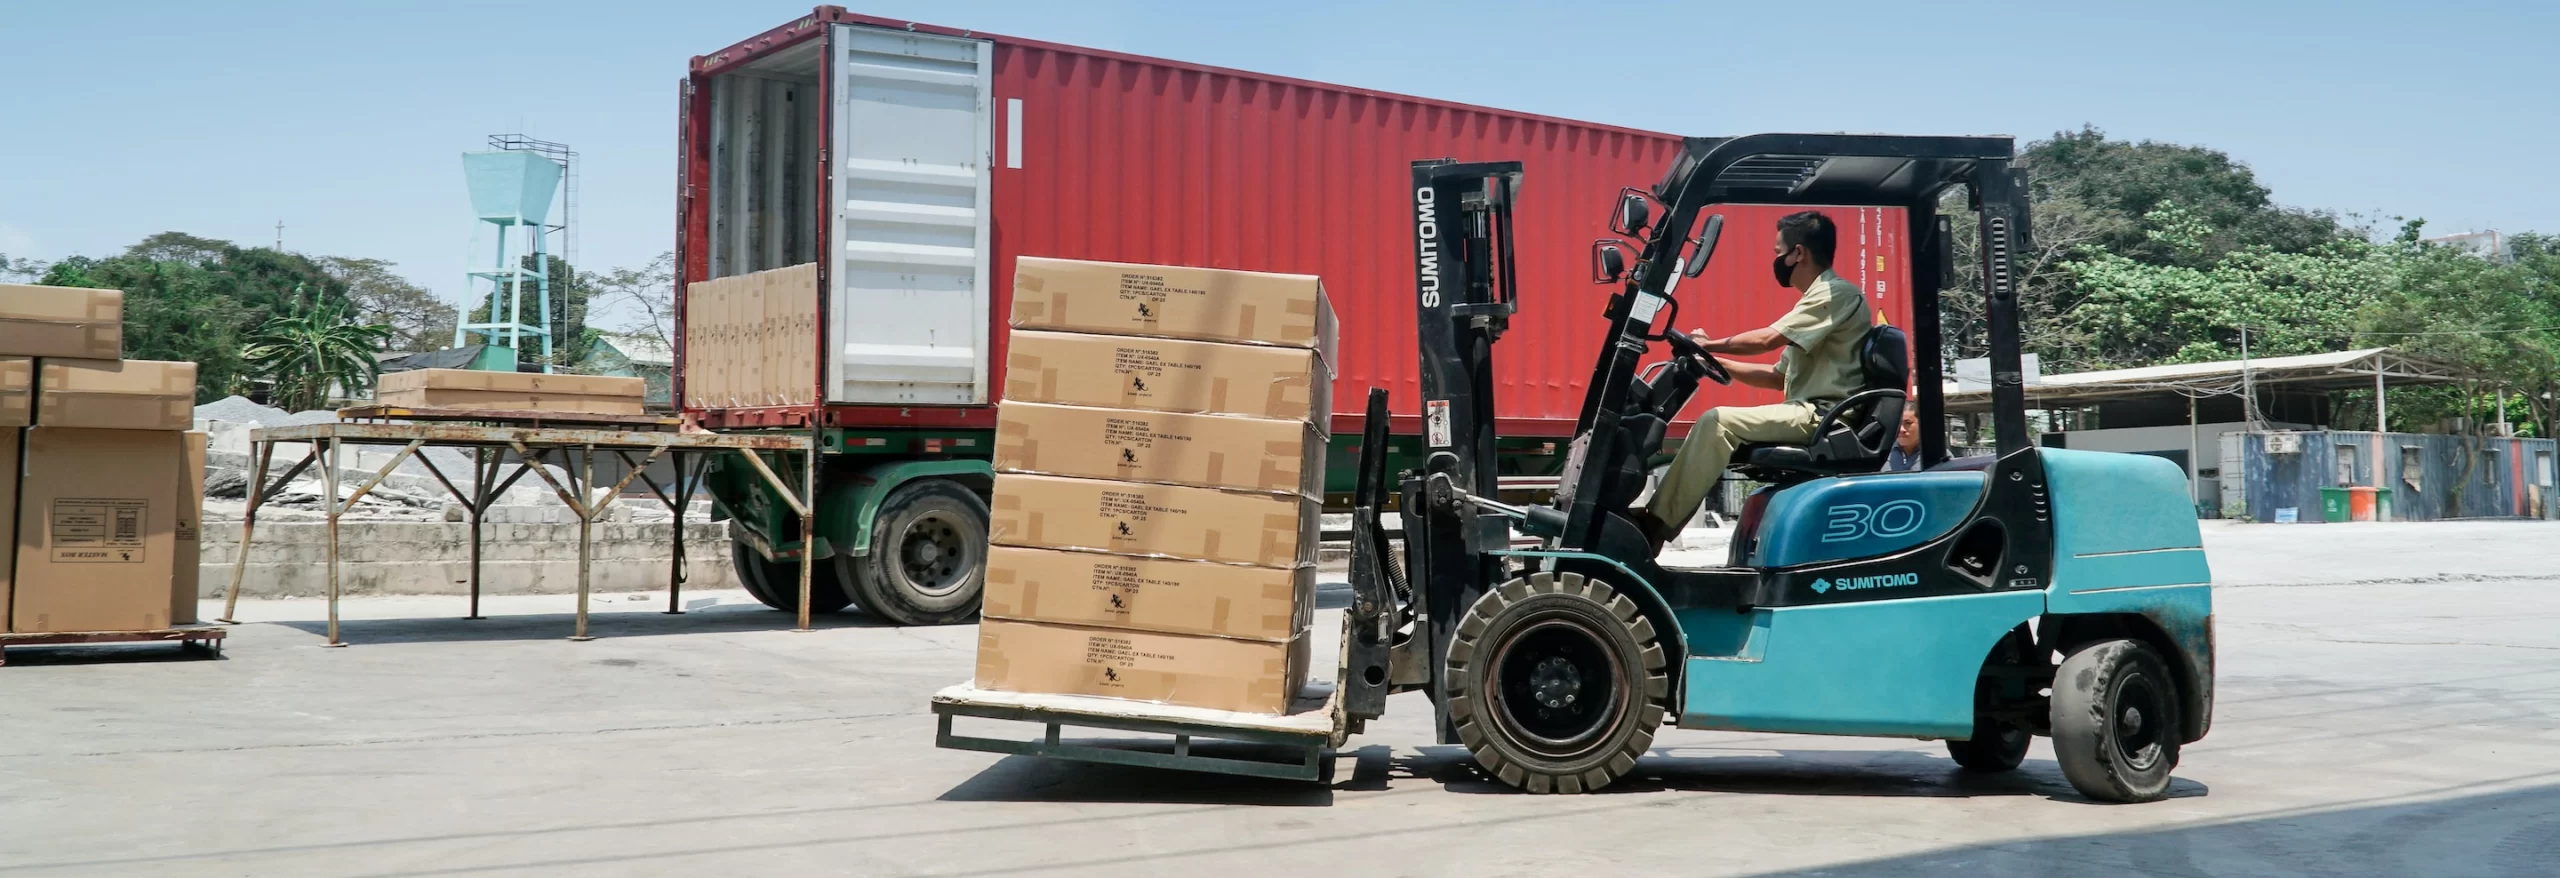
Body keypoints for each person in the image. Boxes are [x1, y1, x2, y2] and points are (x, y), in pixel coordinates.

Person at [1633, 210, 1873, 548]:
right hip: (1811, 411)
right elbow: (1776, 377)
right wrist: (1710, 358)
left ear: (1798, 253)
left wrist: (1707, 344)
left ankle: (1652, 527)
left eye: (1779, 253)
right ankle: (1656, 522)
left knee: (1718, 422)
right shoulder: (1814, 304)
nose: (1776, 260)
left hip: (1824, 416)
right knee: (1718, 421)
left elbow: (1765, 341)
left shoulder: (1836, 294)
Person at [1883, 406, 1923, 472]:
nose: (1901, 429)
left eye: (1908, 423)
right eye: (1898, 423)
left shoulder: (1936, 454)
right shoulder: (1883, 453)